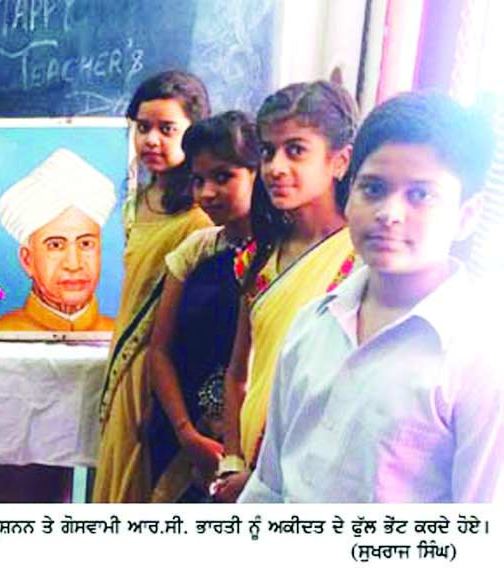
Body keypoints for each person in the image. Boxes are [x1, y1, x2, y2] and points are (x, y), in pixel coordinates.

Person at [240, 92, 504, 502]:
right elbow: (269, 486)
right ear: (349, 194)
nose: (389, 213)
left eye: (421, 195)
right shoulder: (313, 323)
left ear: (466, 215)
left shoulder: (481, 356)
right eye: (373, 188)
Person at [214, 81, 360, 501]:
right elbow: (238, 374)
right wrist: (232, 461)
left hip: (306, 473)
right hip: (244, 466)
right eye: (268, 151)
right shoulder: (257, 257)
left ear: (339, 161)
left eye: (296, 150)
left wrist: (262, 478)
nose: (275, 167)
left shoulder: (359, 261)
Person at [93, 70, 214, 502]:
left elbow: (193, 321)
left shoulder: (200, 218)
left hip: (161, 368)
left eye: (167, 129)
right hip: (124, 359)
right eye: (143, 127)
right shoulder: (137, 201)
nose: (151, 140)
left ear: (193, 134)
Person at [145, 111, 258, 502]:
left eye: (223, 177)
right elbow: (159, 352)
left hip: (254, 443)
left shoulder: (283, 258)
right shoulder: (196, 251)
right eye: (198, 180)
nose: (207, 193)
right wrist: (187, 434)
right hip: (184, 437)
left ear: (258, 173)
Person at [0, 148, 117, 332]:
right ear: (27, 260)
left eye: (86, 244)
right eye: (56, 245)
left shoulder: (119, 335)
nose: (73, 265)